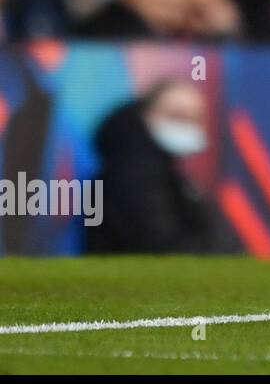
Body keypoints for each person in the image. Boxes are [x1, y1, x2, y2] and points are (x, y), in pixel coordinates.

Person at [85, 80, 238, 255]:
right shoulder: (131, 175)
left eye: (195, 119)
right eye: (177, 116)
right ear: (146, 115)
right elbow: (160, 246)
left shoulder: (168, 174)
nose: (186, 126)